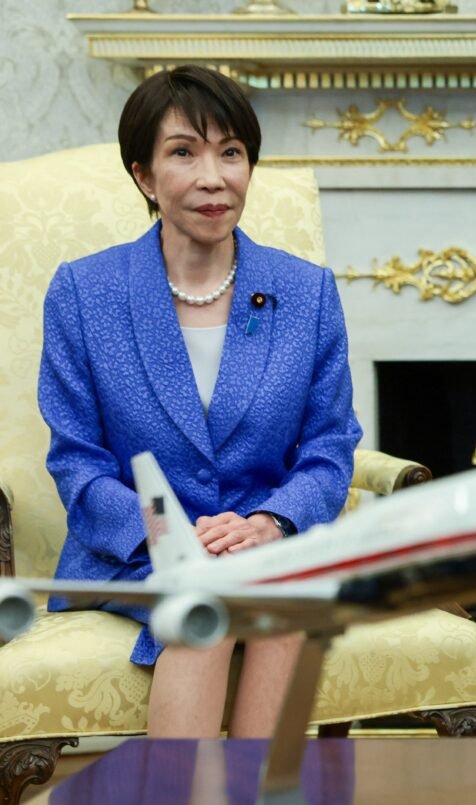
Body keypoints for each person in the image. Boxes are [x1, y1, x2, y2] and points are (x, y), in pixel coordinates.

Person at [38, 65, 363, 738]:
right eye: (184, 152)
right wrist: (171, 536)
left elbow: (330, 449)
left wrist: (270, 523)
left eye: (231, 152)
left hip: (264, 544)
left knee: (275, 599)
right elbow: (78, 463)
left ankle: (244, 786)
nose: (214, 177)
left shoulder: (306, 293)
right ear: (144, 175)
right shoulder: (85, 293)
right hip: (135, 549)